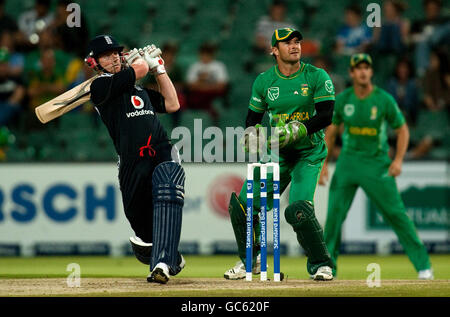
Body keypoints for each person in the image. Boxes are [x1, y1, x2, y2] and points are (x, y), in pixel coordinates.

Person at [224, 28, 335, 281]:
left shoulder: (316, 76)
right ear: (274, 50)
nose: (294, 46)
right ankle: (251, 262)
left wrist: (301, 129)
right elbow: (252, 119)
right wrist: (252, 135)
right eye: (286, 43)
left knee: (298, 209)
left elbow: (327, 115)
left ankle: (321, 265)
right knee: (242, 205)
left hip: (309, 153)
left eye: (297, 42)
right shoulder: (264, 81)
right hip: (278, 154)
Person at [319, 53, 434, 280]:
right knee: (333, 218)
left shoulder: (383, 99)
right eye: (358, 68)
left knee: (396, 214)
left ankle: (424, 267)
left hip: (377, 164)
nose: (362, 72)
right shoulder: (343, 100)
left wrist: (398, 159)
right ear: (351, 73)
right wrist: (323, 164)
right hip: (348, 163)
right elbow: (330, 133)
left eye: (366, 68)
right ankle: (326, 268)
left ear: (371, 72)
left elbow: (402, 130)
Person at [86, 35, 184, 284]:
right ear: (95, 62)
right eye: (107, 55)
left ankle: (162, 262)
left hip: (161, 152)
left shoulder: (139, 90)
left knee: (167, 192)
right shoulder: (98, 88)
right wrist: (143, 63)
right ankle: (168, 254)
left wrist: (159, 70)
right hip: (131, 162)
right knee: (141, 227)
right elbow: (138, 70)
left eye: (116, 53)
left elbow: (172, 104)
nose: (114, 57)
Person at [186, 41, 229, 120]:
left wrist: (201, 86)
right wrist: (203, 82)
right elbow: (190, 86)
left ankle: (209, 110)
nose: (205, 56)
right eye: (203, 53)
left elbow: (222, 86)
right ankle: (210, 110)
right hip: (199, 94)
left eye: (208, 54)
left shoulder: (219, 66)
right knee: (193, 97)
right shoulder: (194, 67)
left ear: (212, 55)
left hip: (213, 95)